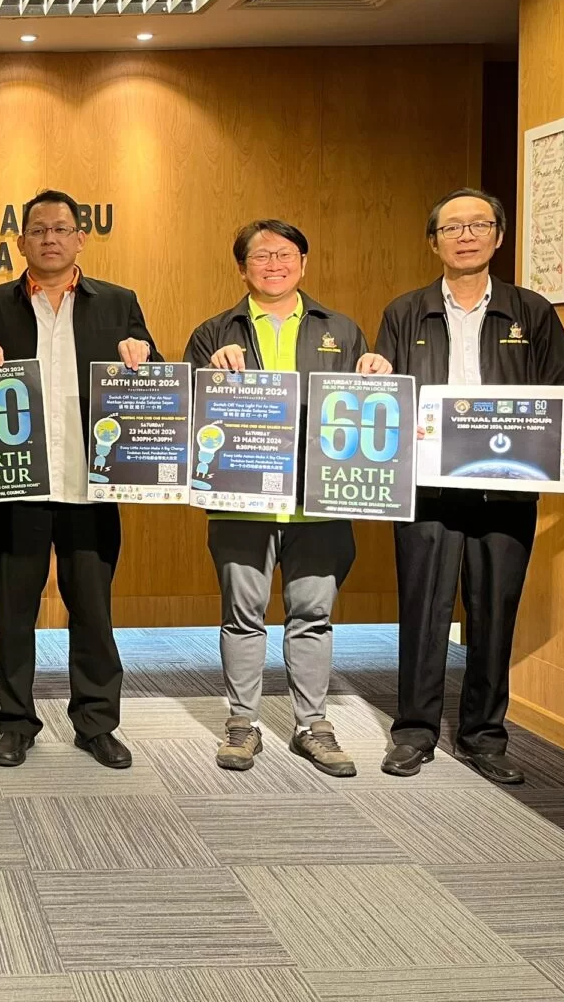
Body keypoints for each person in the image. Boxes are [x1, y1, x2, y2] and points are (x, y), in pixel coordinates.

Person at [375, 189, 564, 783]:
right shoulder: (404, 312)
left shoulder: (530, 310)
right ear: (433, 241)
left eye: (478, 224)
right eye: (451, 227)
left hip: (507, 490)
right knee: (423, 610)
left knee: (493, 612)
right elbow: (385, 395)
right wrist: (373, 374)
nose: (465, 235)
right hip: (427, 490)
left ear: (498, 237)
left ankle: (484, 737)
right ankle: (414, 732)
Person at [0, 188, 156, 769]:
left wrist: (141, 354)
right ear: (21, 242)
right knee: (14, 611)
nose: (49, 238)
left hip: (90, 484)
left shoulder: (119, 301)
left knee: (93, 610)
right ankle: (16, 723)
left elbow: (155, 385)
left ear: (79, 239)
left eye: (61, 229)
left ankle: (96, 723)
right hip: (14, 485)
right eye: (38, 230)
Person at [186, 219, 393, 777]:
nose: (273, 263)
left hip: (318, 501)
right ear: (242, 268)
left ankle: (312, 724)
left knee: (313, 614)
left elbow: (365, 409)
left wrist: (376, 372)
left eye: (284, 254)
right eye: (260, 256)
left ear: (303, 262)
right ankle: (242, 723)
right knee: (241, 615)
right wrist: (210, 374)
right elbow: (191, 415)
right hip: (240, 503)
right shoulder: (213, 332)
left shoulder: (342, 329)